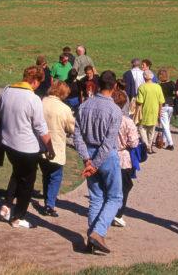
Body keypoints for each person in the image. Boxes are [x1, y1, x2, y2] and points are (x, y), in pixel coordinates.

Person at [0, 66, 55, 229]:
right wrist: (50, 148)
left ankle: (7, 204)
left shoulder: (7, 90)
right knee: (27, 182)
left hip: (8, 142)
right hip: (27, 147)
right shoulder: (33, 98)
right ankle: (18, 217)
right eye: (38, 83)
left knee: (17, 173)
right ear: (34, 81)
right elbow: (41, 127)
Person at [73, 70, 123, 254]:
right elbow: (109, 143)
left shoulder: (84, 105)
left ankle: (91, 238)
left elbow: (77, 135)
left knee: (96, 198)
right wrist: (93, 163)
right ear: (115, 86)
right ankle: (98, 232)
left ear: (97, 84)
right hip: (106, 156)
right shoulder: (115, 111)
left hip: (89, 152)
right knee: (115, 197)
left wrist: (87, 159)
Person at [38, 81, 75, 217]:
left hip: (40, 144)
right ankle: (50, 204)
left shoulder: (42, 102)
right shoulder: (64, 108)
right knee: (55, 176)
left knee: (46, 174)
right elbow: (72, 128)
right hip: (56, 145)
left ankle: (47, 199)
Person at [111, 89, 139, 228]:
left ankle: (110, 210)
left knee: (110, 185)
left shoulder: (107, 118)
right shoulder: (127, 121)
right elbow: (134, 142)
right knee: (124, 186)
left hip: (108, 155)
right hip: (123, 157)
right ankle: (117, 213)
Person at [135, 69, 164, 153]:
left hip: (144, 111)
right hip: (154, 111)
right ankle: (149, 145)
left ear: (144, 77)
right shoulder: (158, 87)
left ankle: (147, 145)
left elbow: (140, 101)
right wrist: (159, 111)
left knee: (142, 129)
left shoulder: (142, 87)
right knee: (151, 130)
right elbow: (161, 101)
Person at [157, 68, 177, 150]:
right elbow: (176, 93)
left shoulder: (159, 86)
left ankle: (171, 143)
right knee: (167, 124)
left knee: (165, 126)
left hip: (163, 106)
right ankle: (164, 140)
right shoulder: (172, 83)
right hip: (171, 106)